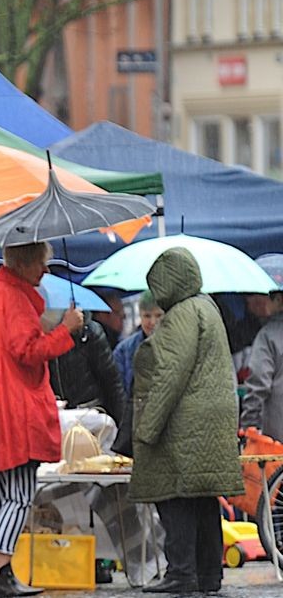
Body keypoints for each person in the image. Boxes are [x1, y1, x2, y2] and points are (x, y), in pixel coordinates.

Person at [0, 242, 83, 597]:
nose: (46, 270)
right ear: (24, 262)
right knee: (19, 493)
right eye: (42, 262)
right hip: (11, 404)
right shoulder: (16, 298)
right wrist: (66, 329)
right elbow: (29, 350)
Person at [129, 247, 243, 594]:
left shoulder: (181, 314)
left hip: (184, 423)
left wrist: (146, 428)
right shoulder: (207, 307)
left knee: (174, 494)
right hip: (211, 420)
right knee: (203, 497)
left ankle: (181, 573)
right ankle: (209, 574)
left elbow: (169, 375)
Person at [44, 310, 126, 427]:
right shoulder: (41, 337)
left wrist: (121, 430)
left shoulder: (89, 333)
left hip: (89, 415)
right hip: (56, 417)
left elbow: (112, 383)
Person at [242, 290, 283, 440]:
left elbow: (258, 382)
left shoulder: (267, 335)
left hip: (275, 440)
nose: (249, 301)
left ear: (278, 301)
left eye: (257, 297)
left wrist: (249, 427)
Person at [112, 291, 163, 396]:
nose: (153, 322)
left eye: (158, 315)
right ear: (140, 315)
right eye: (147, 316)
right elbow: (118, 389)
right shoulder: (124, 349)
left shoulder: (178, 345)